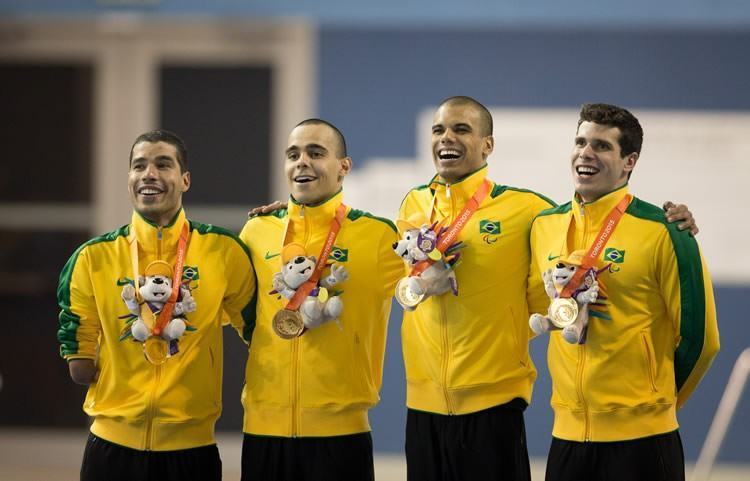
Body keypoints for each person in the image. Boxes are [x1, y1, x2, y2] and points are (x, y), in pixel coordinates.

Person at [397, 96, 698, 481]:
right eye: (439, 129)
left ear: (487, 144)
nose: (446, 138)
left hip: (495, 405)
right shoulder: (413, 204)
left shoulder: (529, 212)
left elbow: (592, 224)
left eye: (461, 129)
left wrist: (678, 221)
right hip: (422, 405)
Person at [527, 103, 719, 481]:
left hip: (643, 441)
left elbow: (702, 339)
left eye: (601, 146)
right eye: (580, 141)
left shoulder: (664, 231)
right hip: (565, 437)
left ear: (629, 161)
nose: (585, 153)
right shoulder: (544, 226)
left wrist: (654, 402)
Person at [57, 130, 257, 481]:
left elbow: (261, 332)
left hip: (191, 448)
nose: (148, 173)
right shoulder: (93, 257)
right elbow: (78, 351)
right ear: (130, 179)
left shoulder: (223, 251)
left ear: (185, 180)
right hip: (111, 445)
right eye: (139, 166)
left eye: (162, 164)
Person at [238, 119, 403, 481]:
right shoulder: (257, 232)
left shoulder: (377, 236)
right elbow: (237, 309)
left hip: (341, 434)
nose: (302, 162)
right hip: (264, 428)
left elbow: (430, 278)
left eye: (316, 153)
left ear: (344, 167)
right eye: (293, 154)